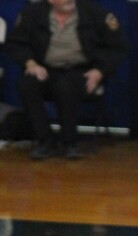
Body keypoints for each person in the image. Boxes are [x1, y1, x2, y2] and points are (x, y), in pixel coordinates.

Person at [4, 0, 130, 159]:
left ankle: (70, 142)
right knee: (27, 85)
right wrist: (31, 63)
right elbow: (15, 44)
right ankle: (45, 140)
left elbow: (119, 47)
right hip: (45, 69)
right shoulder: (33, 14)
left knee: (65, 86)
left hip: (81, 71)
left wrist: (99, 72)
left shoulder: (95, 13)